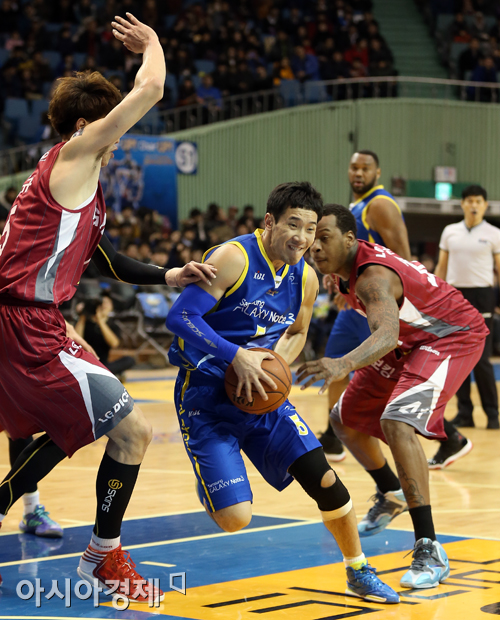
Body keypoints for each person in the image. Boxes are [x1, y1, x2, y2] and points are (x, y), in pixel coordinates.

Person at [0, 13, 216, 599]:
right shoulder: (73, 157)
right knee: (132, 431)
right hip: (24, 324)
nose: (120, 133)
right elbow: (153, 88)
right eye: (109, 122)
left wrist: (169, 274)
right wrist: (154, 44)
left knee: (88, 424)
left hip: (31, 321)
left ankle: (80, 544)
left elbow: (106, 259)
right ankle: (101, 559)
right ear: (83, 126)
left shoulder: (79, 187)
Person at [165, 183, 399, 605]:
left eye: (310, 229)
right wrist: (236, 356)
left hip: (261, 394)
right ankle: (212, 484)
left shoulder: (305, 278)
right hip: (206, 394)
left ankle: (358, 570)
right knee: (235, 519)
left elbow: (296, 332)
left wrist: (275, 368)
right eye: (294, 225)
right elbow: (180, 316)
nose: (303, 238)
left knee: (326, 480)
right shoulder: (233, 258)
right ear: (270, 222)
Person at [297, 204, 488, 588]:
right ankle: (391, 490)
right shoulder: (349, 269)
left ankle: (430, 547)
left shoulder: (372, 279)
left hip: (450, 336)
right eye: (312, 239)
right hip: (410, 342)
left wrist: (343, 363)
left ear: (349, 239)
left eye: (324, 238)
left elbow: (385, 334)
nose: (315, 247)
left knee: (397, 422)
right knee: (343, 420)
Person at [319, 150, 471, 474]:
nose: (358, 173)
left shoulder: (380, 205)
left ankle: (448, 437)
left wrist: (370, 292)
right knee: (344, 361)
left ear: (378, 173)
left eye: (365, 168)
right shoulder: (355, 206)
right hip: (359, 301)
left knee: (377, 374)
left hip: (381, 301)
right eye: (354, 167)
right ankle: (334, 434)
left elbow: (402, 258)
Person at [434, 184, 500, 430]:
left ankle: (492, 414)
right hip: (454, 296)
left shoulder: (494, 233)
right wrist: (434, 297)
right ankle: (465, 413)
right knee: (457, 357)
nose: (474, 205)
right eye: (470, 201)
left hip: (482, 296)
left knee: (481, 358)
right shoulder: (450, 231)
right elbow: (442, 266)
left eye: (478, 201)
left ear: (485, 205)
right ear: (462, 204)